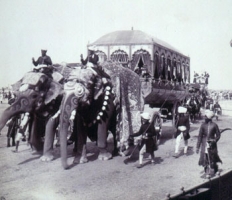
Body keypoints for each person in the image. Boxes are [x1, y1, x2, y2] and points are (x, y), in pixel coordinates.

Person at [196, 110, 222, 176]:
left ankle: (215, 169)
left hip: (212, 144)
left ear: (209, 117)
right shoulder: (202, 125)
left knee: (213, 157)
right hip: (204, 144)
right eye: (204, 116)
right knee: (205, 157)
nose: (204, 118)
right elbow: (200, 136)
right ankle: (207, 171)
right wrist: (197, 146)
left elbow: (218, 135)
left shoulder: (214, 125)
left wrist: (214, 140)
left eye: (206, 116)